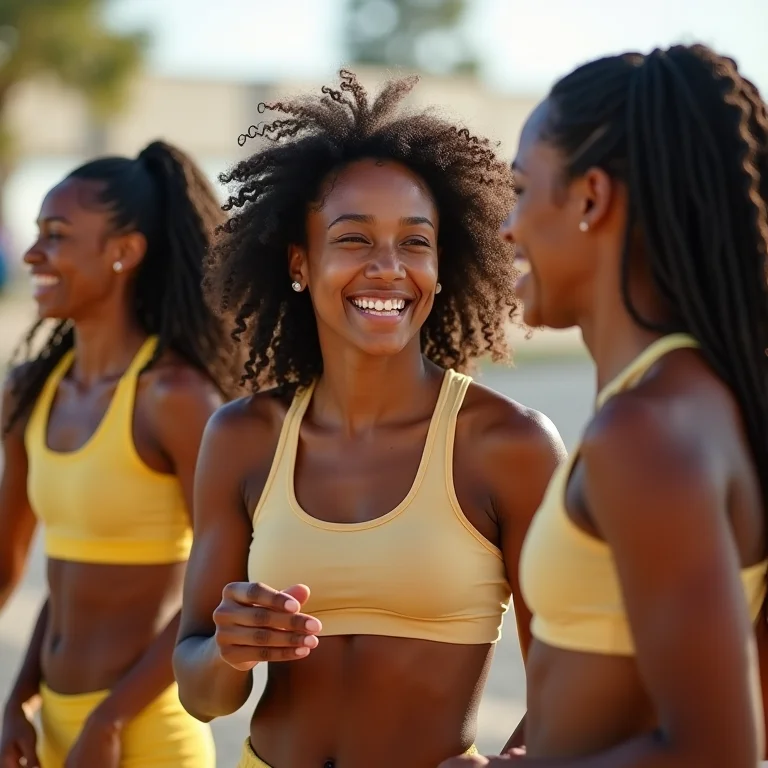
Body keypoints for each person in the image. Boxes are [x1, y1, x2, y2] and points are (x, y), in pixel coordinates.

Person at [172, 70, 565, 768]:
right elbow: (203, 693)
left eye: (415, 243)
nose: (388, 267)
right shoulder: (241, 437)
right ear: (299, 262)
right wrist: (229, 649)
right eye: (354, 240)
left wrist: (523, 760)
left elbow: (570, 677)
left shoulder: (507, 445)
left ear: (444, 266)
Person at [439, 43, 768, 768]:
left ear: (591, 197)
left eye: (523, 190)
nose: (507, 227)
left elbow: (719, 751)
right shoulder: (687, 401)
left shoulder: (645, 433)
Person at [0, 140, 240, 768]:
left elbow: (220, 581)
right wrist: (15, 700)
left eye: (56, 236)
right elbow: (46, 575)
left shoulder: (174, 397)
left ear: (124, 253)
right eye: (36, 234)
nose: (33, 254)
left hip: (144, 732)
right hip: (47, 727)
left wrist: (109, 720)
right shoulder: (30, 391)